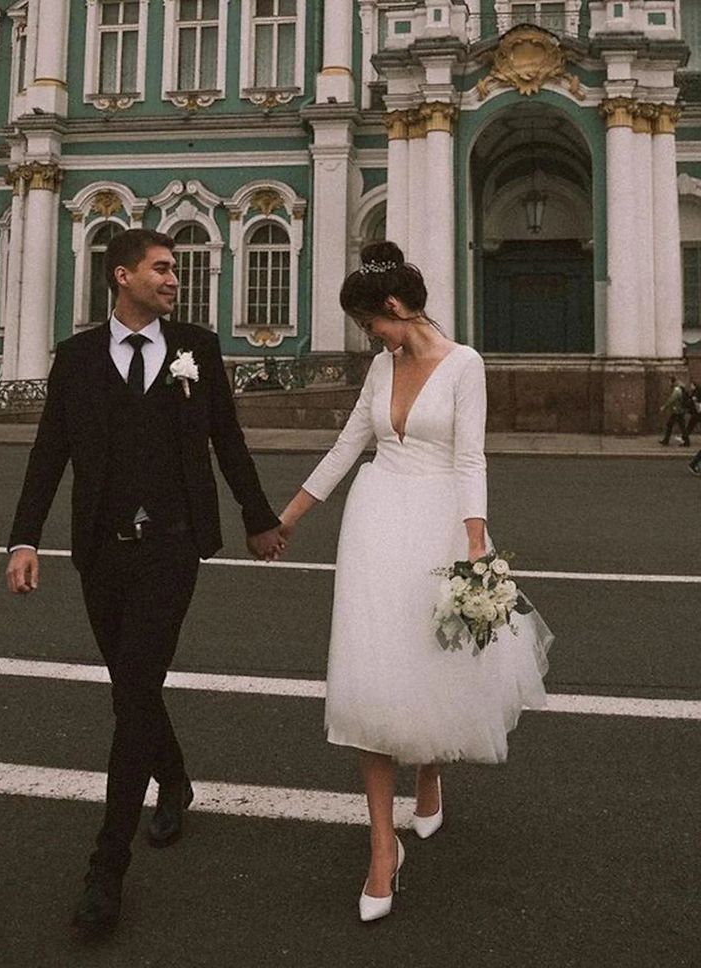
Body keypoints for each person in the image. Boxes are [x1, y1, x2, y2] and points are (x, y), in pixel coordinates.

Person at [6, 229, 284, 935]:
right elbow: (49, 452)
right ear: (122, 276)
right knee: (133, 684)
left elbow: (227, 438)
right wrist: (23, 537)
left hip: (172, 546)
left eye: (175, 269)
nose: (174, 278)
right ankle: (176, 778)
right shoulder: (73, 360)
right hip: (101, 550)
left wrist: (258, 517)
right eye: (162, 268)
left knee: (131, 692)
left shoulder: (197, 348)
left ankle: (107, 870)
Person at [278, 241, 553, 923]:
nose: (370, 337)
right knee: (372, 676)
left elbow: (472, 456)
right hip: (375, 521)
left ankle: (430, 774)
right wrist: (284, 519)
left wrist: (473, 541)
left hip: (437, 524)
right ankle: (382, 847)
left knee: (430, 667)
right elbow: (348, 445)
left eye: (372, 324)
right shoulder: (380, 367)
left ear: (396, 308)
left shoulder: (465, 365)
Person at [659, 375, 690, 446]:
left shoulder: (677, 389)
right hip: (679, 410)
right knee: (673, 425)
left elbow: (672, 399)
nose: (668, 383)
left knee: (679, 426)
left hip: (678, 411)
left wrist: (664, 406)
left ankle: (686, 442)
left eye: (669, 381)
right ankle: (666, 440)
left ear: (672, 381)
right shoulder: (680, 387)